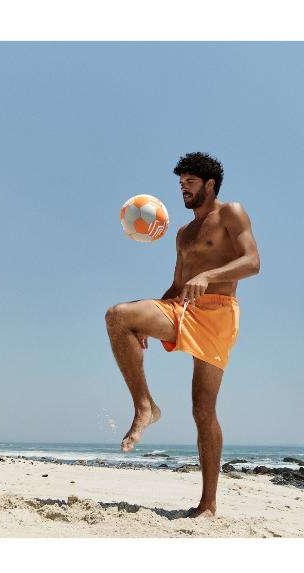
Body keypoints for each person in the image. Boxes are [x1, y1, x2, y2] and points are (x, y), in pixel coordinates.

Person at [105, 152, 261, 518]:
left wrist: (209, 276)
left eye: (189, 183)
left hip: (219, 313)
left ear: (209, 185)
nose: (183, 190)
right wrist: (151, 318)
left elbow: (253, 261)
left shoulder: (231, 213)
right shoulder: (182, 233)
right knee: (119, 317)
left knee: (202, 411)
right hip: (182, 307)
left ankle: (208, 505)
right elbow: (178, 284)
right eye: (180, 184)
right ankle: (145, 406)